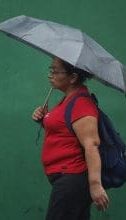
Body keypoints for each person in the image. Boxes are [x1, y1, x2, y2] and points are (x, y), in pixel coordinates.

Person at [32, 57, 109, 220]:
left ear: (72, 77)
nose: (50, 75)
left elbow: (91, 145)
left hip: (73, 179)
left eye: (55, 71)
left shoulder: (81, 104)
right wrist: (43, 119)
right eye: (50, 69)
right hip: (67, 178)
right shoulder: (69, 99)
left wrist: (95, 185)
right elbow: (65, 132)